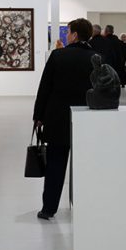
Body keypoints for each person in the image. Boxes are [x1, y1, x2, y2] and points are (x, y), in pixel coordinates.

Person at [33, 18, 96, 219]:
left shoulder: (58, 56)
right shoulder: (97, 57)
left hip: (58, 118)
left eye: (68, 32)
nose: (66, 36)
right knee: (85, 165)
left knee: (55, 165)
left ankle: (48, 208)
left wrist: (38, 116)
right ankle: (87, 207)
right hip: (86, 119)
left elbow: (45, 88)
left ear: (75, 35)